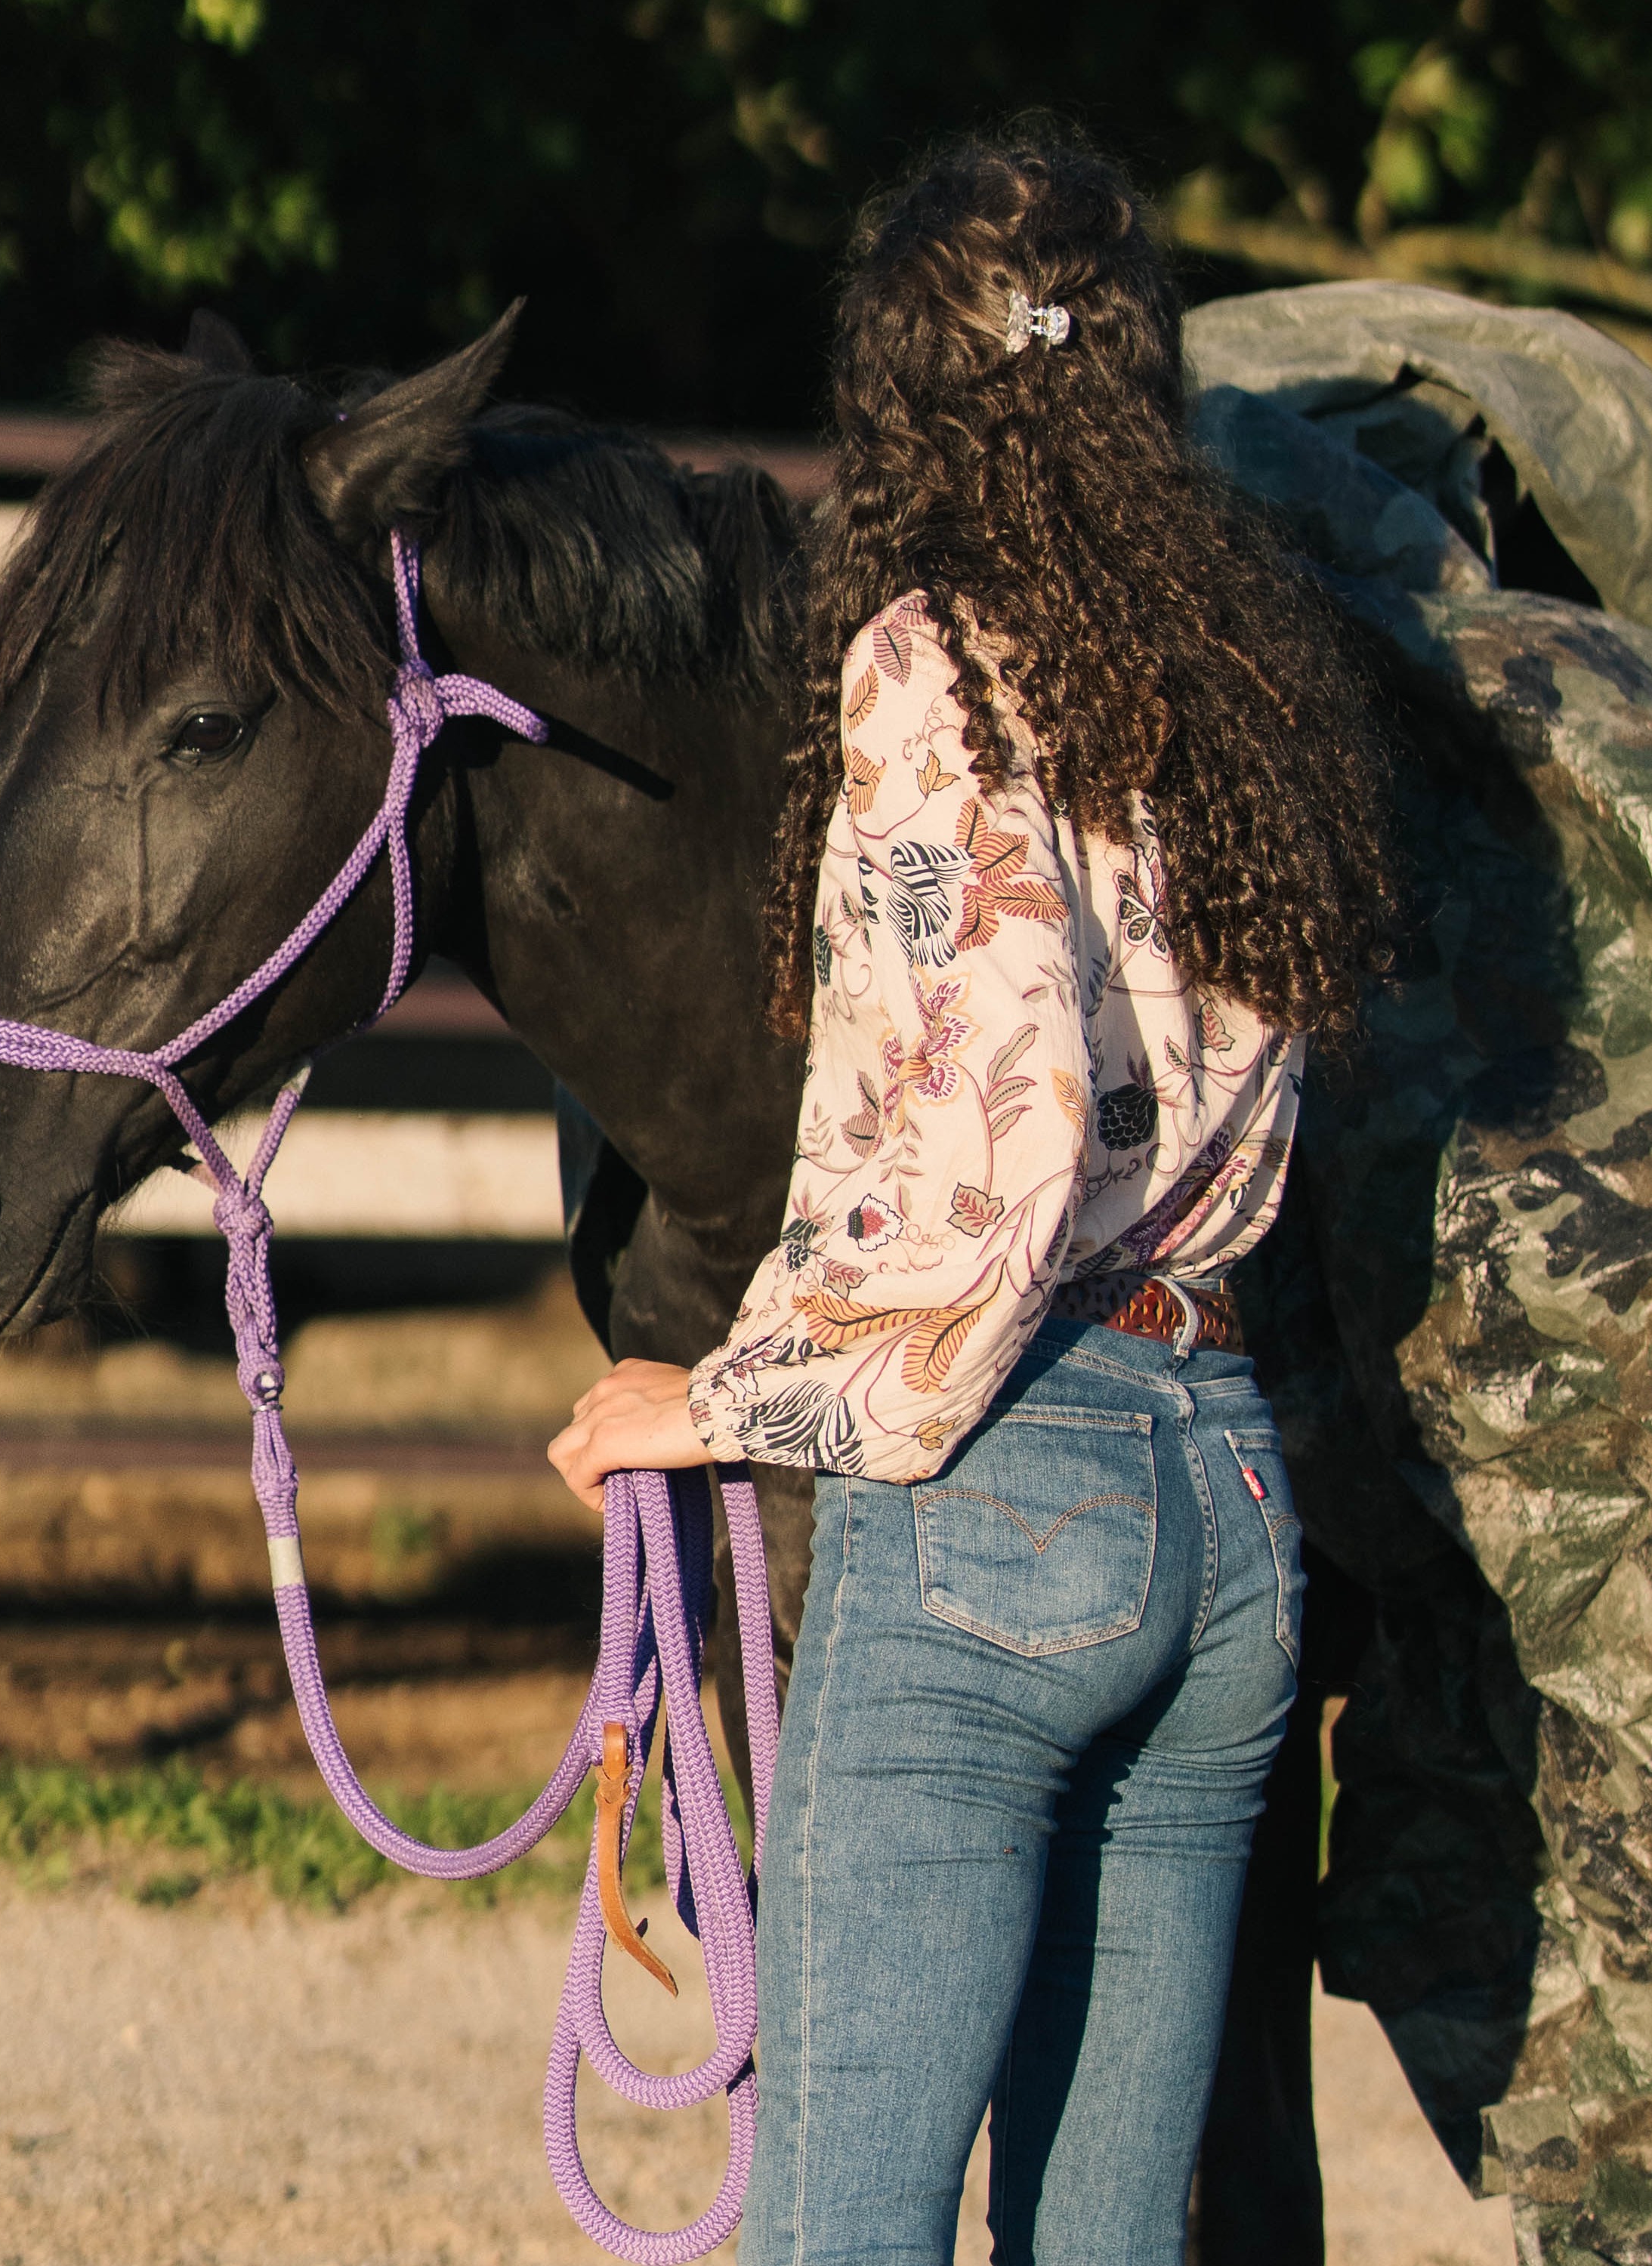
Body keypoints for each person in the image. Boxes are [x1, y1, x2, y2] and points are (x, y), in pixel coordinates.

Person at [545, 135, 1397, 2264]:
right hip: (1229, 1508)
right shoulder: (1234, 668)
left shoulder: (937, 663)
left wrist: (726, 1399)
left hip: (1009, 1493)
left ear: (907, 390)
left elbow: (993, 1173)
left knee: (844, 2225)